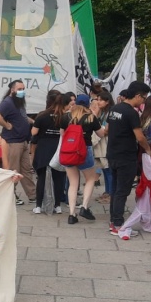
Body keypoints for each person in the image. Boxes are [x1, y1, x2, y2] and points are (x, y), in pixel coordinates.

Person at [106, 83, 151, 235]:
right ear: (138, 96)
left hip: (112, 153)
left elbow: (107, 129)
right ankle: (118, 224)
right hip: (126, 156)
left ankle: (113, 221)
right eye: (144, 98)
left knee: (115, 189)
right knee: (122, 191)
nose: (143, 101)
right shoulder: (131, 113)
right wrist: (148, 149)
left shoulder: (114, 109)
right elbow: (140, 137)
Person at [61, 94, 103, 224]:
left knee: (73, 183)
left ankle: (71, 214)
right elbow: (101, 134)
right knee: (90, 179)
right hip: (85, 150)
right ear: (88, 104)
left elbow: (62, 134)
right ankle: (84, 207)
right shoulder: (90, 117)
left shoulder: (66, 117)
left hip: (69, 151)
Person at [0, 80, 36, 205]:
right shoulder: (8, 102)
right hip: (13, 142)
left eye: (23, 89)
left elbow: (22, 116)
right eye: (19, 89)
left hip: (23, 141)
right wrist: (7, 125)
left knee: (26, 170)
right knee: (13, 170)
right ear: (12, 90)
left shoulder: (18, 102)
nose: (22, 91)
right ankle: (10, 195)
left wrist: (33, 121)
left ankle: (33, 195)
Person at [30, 90, 68, 215]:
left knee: (41, 177)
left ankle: (38, 206)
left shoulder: (42, 115)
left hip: (44, 148)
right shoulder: (65, 116)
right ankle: (57, 205)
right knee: (59, 177)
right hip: (59, 147)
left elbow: (34, 132)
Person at [91, 90, 114, 204]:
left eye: (101, 100)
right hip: (102, 143)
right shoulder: (102, 112)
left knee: (108, 170)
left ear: (107, 101)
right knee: (104, 169)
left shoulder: (110, 113)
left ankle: (111, 194)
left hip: (107, 143)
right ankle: (107, 192)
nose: (98, 102)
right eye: (98, 99)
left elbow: (106, 130)